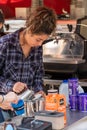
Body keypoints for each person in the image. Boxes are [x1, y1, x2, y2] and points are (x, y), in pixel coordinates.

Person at [0, 6, 57, 97]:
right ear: (30, 29)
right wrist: (12, 85)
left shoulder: (37, 48)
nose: (40, 44)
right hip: (5, 107)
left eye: (43, 40)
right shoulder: (5, 44)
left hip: (29, 106)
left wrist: (39, 90)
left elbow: (38, 75)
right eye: (38, 39)